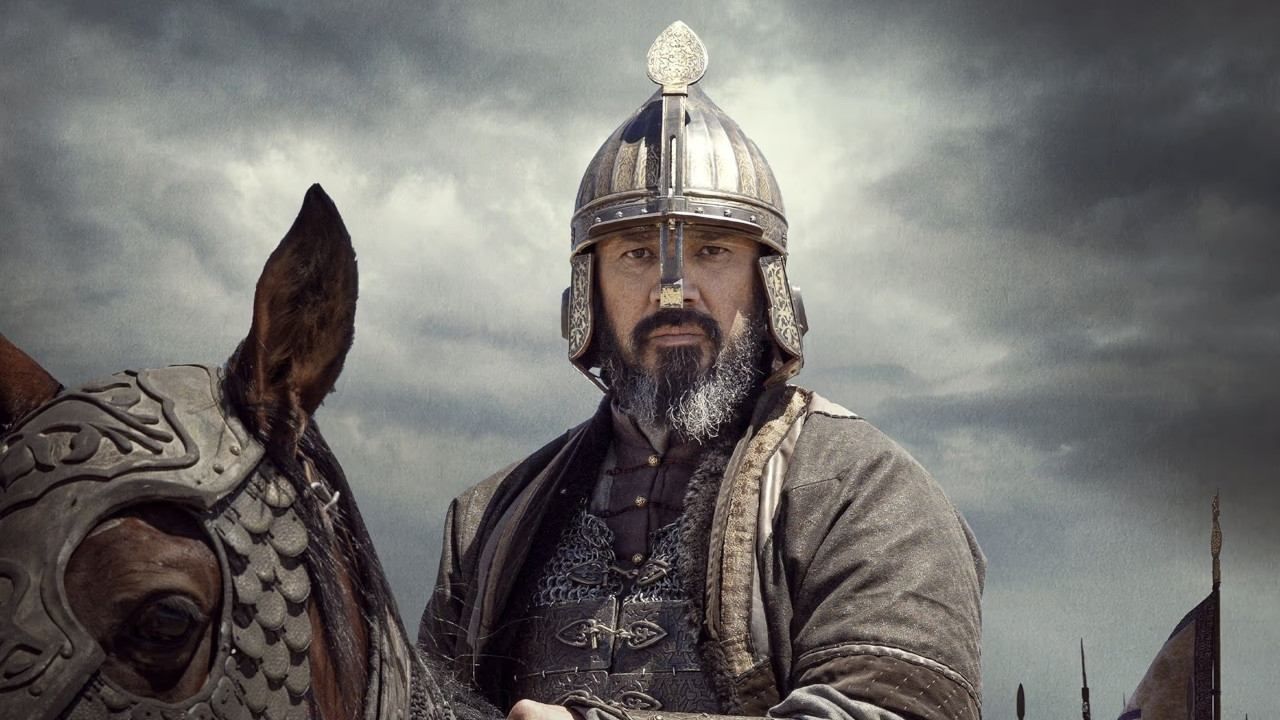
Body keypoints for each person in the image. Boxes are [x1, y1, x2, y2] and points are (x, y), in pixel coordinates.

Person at [419, 22, 985, 720]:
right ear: (588, 289)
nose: (673, 291)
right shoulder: (487, 521)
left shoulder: (866, 492)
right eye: (636, 254)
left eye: (712, 250)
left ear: (766, 284)